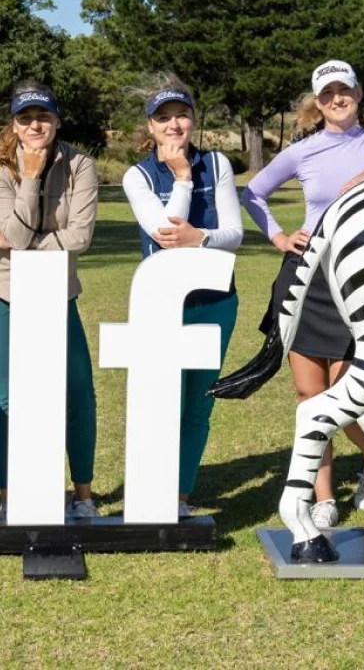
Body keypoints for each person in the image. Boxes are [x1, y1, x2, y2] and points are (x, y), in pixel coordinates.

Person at [240, 59, 364, 530]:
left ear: (358, 94)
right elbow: (254, 193)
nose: (337, 99)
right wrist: (279, 236)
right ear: (317, 102)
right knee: (310, 394)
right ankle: (323, 496)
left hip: (360, 281)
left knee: (349, 398)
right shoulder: (303, 151)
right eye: (327, 94)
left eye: (344, 90)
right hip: (306, 275)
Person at [122, 78, 243, 518]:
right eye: (163, 118)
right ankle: (153, 492)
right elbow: (166, 234)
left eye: (181, 115)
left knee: (197, 405)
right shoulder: (136, 176)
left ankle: (180, 497)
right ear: (150, 127)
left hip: (215, 300)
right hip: (162, 303)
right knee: (161, 400)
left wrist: (201, 238)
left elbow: (234, 235)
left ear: (193, 119)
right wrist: (183, 179)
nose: (174, 125)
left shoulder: (217, 162)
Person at [0, 80, 99, 522]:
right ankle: (8, 494)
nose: (35, 125)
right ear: (14, 126)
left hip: (59, 291)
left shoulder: (81, 164)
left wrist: (22, 243)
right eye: (25, 118)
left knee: (78, 393)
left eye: (43, 116)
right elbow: (15, 233)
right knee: (7, 399)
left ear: (57, 121)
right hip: (6, 291)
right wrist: (31, 176)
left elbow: (80, 237)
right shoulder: (1, 166)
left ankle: (83, 495)